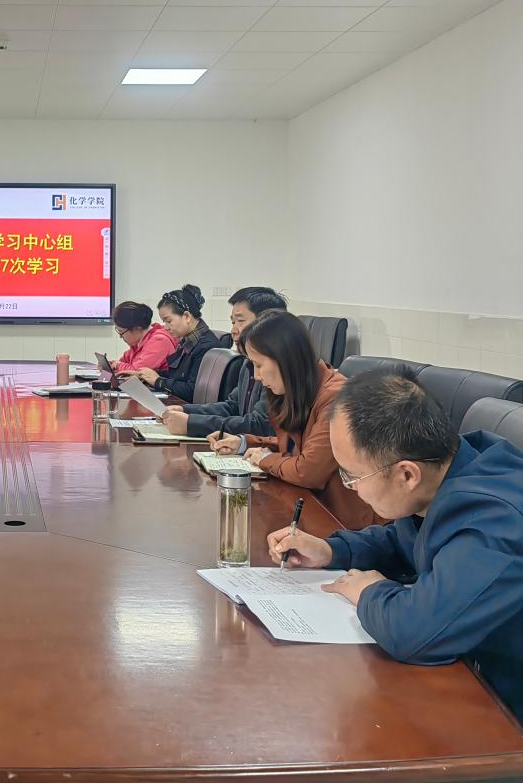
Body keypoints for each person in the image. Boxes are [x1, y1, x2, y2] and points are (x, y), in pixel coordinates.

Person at [268, 368, 523, 721]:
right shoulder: (445, 471)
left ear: (406, 474)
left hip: (504, 711)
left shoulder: (496, 521)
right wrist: (332, 550)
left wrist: (367, 591)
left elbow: (415, 633)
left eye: (352, 475)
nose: (350, 486)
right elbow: (404, 542)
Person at [210, 310, 372, 528]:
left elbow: (308, 470)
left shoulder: (336, 397)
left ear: (285, 359)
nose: (256, 376)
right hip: (311, 508)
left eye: (259, 365)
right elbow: (300, 447)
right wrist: (245, 443)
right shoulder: (296, 388)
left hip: (345, 523)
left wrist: (264, 460)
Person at [163, 286, 287, 438]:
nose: (233, 330)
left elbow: (259, 425)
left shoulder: (277, 369)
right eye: (233, 322)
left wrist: (191, 423)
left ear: (267, 323)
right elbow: (232, 406)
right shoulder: (248, 363)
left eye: (240, 321)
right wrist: (185, 411)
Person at [121, 286, 217, 403]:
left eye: (168, 321)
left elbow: (193, 391)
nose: (166, 327)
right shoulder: (187, 341)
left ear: (186, 316)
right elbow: (175, 374)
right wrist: (143, 375)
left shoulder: (206, 347)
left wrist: (158, 381)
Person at [107, 301, 177, 373]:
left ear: (137, 328)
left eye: (121, 332)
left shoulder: (159, 341)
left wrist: (117, 365)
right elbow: (123, 362)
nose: (120, 337)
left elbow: (137, 372)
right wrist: (109, 365)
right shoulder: (139, 342)